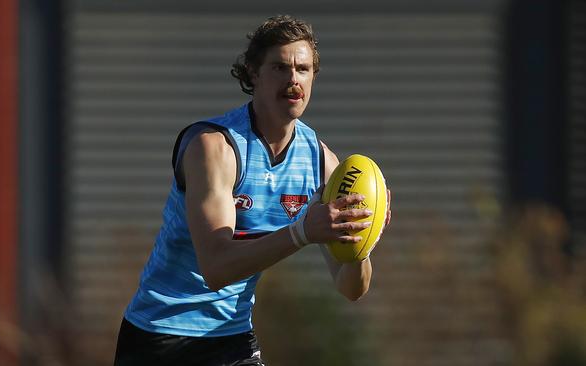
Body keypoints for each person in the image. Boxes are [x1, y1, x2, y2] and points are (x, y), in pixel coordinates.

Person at [113, 15, 391, 366]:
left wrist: (362, 241)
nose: (293, 79)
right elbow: (216, 268)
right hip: (159, 336)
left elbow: (351, 288)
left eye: (303, 69)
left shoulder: (321, 163)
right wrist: (302, 232)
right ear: (253, 73)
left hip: (233, 339)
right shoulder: (215, 148)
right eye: (279, 68)